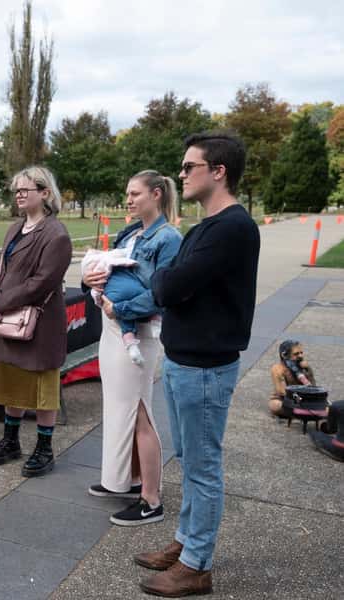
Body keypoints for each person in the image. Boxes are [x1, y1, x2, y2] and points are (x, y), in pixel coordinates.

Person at [138, 132, 260, 597]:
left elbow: (166, 287)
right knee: (190, 460)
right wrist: (167, 279)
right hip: (185, 361)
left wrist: (164, 279)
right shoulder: (203, 228)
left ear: (218, 171)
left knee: (203, 467)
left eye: (190, 167)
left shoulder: (232, 227)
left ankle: (196, 565)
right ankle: (187, 542)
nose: (182, 174)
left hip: (206, 368)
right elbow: (171, 282)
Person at [82, 171, 182, 527]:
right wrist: (88, 280)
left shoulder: (168, 238)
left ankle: (151, 499)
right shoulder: (130, 232)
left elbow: (161, 292)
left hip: (136, 331)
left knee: (138, 410)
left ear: (156, 194)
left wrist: (119, 309)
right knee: (122, 408)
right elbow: (109, 270)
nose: (128, 199)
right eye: (127, 193)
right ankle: (130, 480)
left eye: (135, 193)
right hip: (114, 329)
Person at [0, 166, 73, 478]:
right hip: (10, 318)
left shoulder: (56, 234)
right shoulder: (15, 228)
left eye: (26, 190)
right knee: (11, 381)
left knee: (41, 386)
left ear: (45, 193)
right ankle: (11, 441)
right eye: (17, 191)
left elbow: (43, 282)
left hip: (39, 323)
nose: (19, 195)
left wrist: (2, 301)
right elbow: (3, 268)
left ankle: (44, 448)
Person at [269, 339, 316, 417]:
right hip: (285, 399)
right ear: (284, 355)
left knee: (327, 408)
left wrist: (308, 371)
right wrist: (301, 401)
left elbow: (313, 386)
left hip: (305, 398)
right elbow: (282, 391)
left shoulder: (303, 366)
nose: (300, 356)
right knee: (276, 406)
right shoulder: (277, 368)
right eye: (296, 354)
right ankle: (304, 412)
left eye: (301, 353)